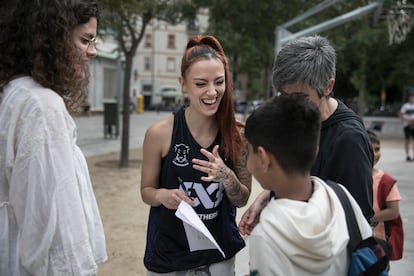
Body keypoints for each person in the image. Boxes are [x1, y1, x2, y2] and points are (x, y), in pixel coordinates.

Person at [0, 1, 107, 275]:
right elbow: (54, 221)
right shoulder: (40, 105)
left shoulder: (14, 93)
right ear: (52, 39)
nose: (93, 51)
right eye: (85, 40)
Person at [239, 35, 374, 236]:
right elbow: (299, 179)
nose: (289, 106)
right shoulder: (291, 119)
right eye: (283, 95)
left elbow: (357, 218)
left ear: (328, 87)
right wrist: (268, 196)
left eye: (300, 98)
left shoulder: (349, 140)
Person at [140, 35, 252, 275]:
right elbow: (146, 192)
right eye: (201, 83)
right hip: (169, 257)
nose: (212, 92)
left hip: (218, 255)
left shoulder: (238, 135)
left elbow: (242, 199)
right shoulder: (159, 134)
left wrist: (228, 177)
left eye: (219, 82)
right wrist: (162, 195)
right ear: (183, 83)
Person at [245, 95, 373, 275]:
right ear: (316, 150)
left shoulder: (266, 235)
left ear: (263, 158)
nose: (247, 161)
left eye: (248, 151)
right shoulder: (342, 198)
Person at [367, 129, 404, 262]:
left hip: (379, 241)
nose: (376, 154)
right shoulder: (350, 177)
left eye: (378, 149)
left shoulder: (386, 181)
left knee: (378, 268)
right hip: (357, 239)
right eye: (372, 150)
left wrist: (367, 219)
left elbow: (393, 211)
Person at [399, 92, 414, 161]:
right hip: (407, 125)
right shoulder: (405, 106)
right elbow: (401, 115)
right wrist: (408, 121)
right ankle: (407, 155)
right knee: (407, 140)